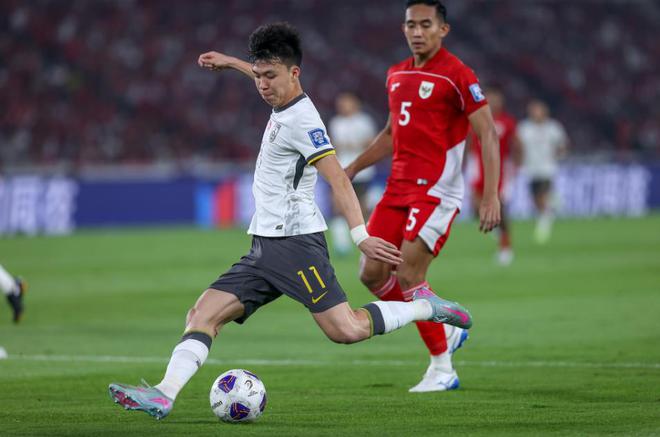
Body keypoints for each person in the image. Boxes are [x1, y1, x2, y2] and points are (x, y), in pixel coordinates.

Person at [108, 22, 473, 420]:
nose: (262, 84)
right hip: (263, 246)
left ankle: (425, 308)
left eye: (270, 76)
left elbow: (338, 178)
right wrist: (231, 62)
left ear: (294, 73)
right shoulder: (281, 96)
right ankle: (164, 394)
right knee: (201, 315)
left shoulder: (304, 121)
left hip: (296, 245)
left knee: (346, 330)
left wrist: (360, 235)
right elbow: (263, 73)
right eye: (258, 75)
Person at [344, 0, 501, 393]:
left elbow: (487, 133)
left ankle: (442, 368)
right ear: (404, 29)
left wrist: (491, 196)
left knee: (410, 275)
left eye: (426, 24)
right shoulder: (396, 74)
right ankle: (441, 327)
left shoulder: (458, 75)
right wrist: (352, 168)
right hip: (396, 188)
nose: (417, 31)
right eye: (411, 25)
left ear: (442, 29)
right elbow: (390, 134)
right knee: (371, 273)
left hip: (436, 191)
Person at [467, 86, 521, 266]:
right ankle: (499, 233)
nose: (492, 102)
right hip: (478, 167)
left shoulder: (507, 122)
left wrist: (517, 164)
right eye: (489, 98)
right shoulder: (476, 118)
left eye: (495, 98)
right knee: (476, 207)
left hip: (500, 170)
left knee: (499, 207)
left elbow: (517, 144)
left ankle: (506, 245)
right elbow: (468, 141)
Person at [328, 92, 377, 256]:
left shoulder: (364, 121)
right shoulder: (336, 123)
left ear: (356, 103)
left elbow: (372, 143)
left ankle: (367, 241)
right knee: (338, 206)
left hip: (363, 171)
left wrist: (355, 144)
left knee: (361, 208)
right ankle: (342, 245)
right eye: (341, 102)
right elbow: (332, 145)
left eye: (347, 102)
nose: (343, 105)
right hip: (341, 170)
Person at [517, 99, 568, 244]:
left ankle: (545, 222)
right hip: (530, 168)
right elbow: (518, 146)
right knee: (535, 199)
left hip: (547, 168)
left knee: (542, 196)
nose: (536, 113)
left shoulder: (553, 127)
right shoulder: (524, 128)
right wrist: (518, 161)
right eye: (533, 110)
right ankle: (551, 207)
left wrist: (558, 155)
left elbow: (562, 145)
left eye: (538, 110)